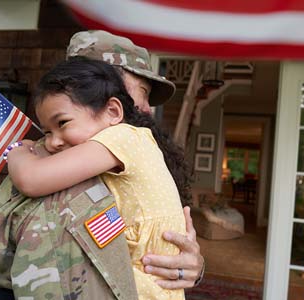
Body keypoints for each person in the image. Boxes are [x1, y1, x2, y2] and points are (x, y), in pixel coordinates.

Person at [6, 58, 186, 299]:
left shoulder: (124, 137)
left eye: (62, 123)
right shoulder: (129, 144)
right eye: (47, 131)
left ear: (113, 112)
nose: (52, 142)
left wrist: (17, 150)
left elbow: (31, 179)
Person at [66, 30, 204, 289]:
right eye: (142, 91)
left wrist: (193, 265)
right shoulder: (51, 161)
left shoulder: (145, 155)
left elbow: (174, 243)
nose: (148, 109)